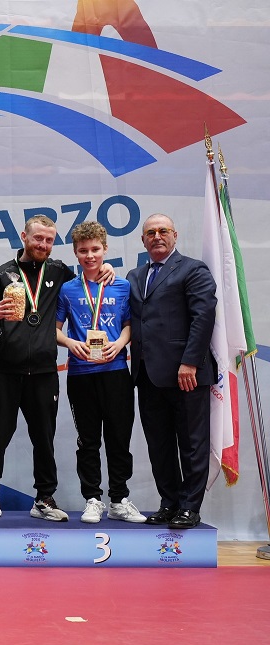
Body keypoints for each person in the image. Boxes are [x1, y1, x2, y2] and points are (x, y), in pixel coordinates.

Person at [0, 215, 115, 522]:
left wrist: (107, 268)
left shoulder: (59, 272)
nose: (43, 244)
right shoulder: (0, 275)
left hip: (43, 373)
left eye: (49, 240)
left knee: (44, 438)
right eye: (38, 238)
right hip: (4, 372)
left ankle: (44, 499)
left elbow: (87, 281)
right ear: (24, 237)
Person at [127, 213, 217, 529]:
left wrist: (190, 361)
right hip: (147, 375)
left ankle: (190, 507)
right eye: (150, 232)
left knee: (192, 444)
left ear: (175, 235)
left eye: (163, 230)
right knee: (159, 445)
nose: (157, 236)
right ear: (142, 240)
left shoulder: (193, 270)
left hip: (186, 374)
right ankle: (170, 503)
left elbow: (204, 316)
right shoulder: (134, 276)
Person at [55, 221, 146, 523]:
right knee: (88, 440)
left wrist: (120, 343)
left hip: (115, 371)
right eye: (83, 251)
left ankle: (119, 499)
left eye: (95, 249)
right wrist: (71, 343)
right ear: (75, 253)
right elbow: (55, 329)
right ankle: (92, 499)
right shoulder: (68, 289)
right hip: (81, 374)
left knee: (119, 439)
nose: (90, 256)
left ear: (105, 249)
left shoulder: (121, 285)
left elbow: (130, 324)